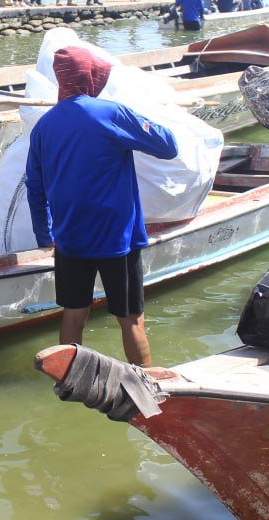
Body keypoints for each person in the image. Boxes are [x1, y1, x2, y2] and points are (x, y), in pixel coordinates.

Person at [25, 46, 180, 367]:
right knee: (131, 319)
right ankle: (147, 386)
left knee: (74, 313)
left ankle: (68, 383)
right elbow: (168, 146)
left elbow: (34, 185)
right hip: (117, 240)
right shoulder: (112, 113)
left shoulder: (44, 125)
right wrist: (136, 118)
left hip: (69, 238)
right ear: (92, 77)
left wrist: (45, 235)